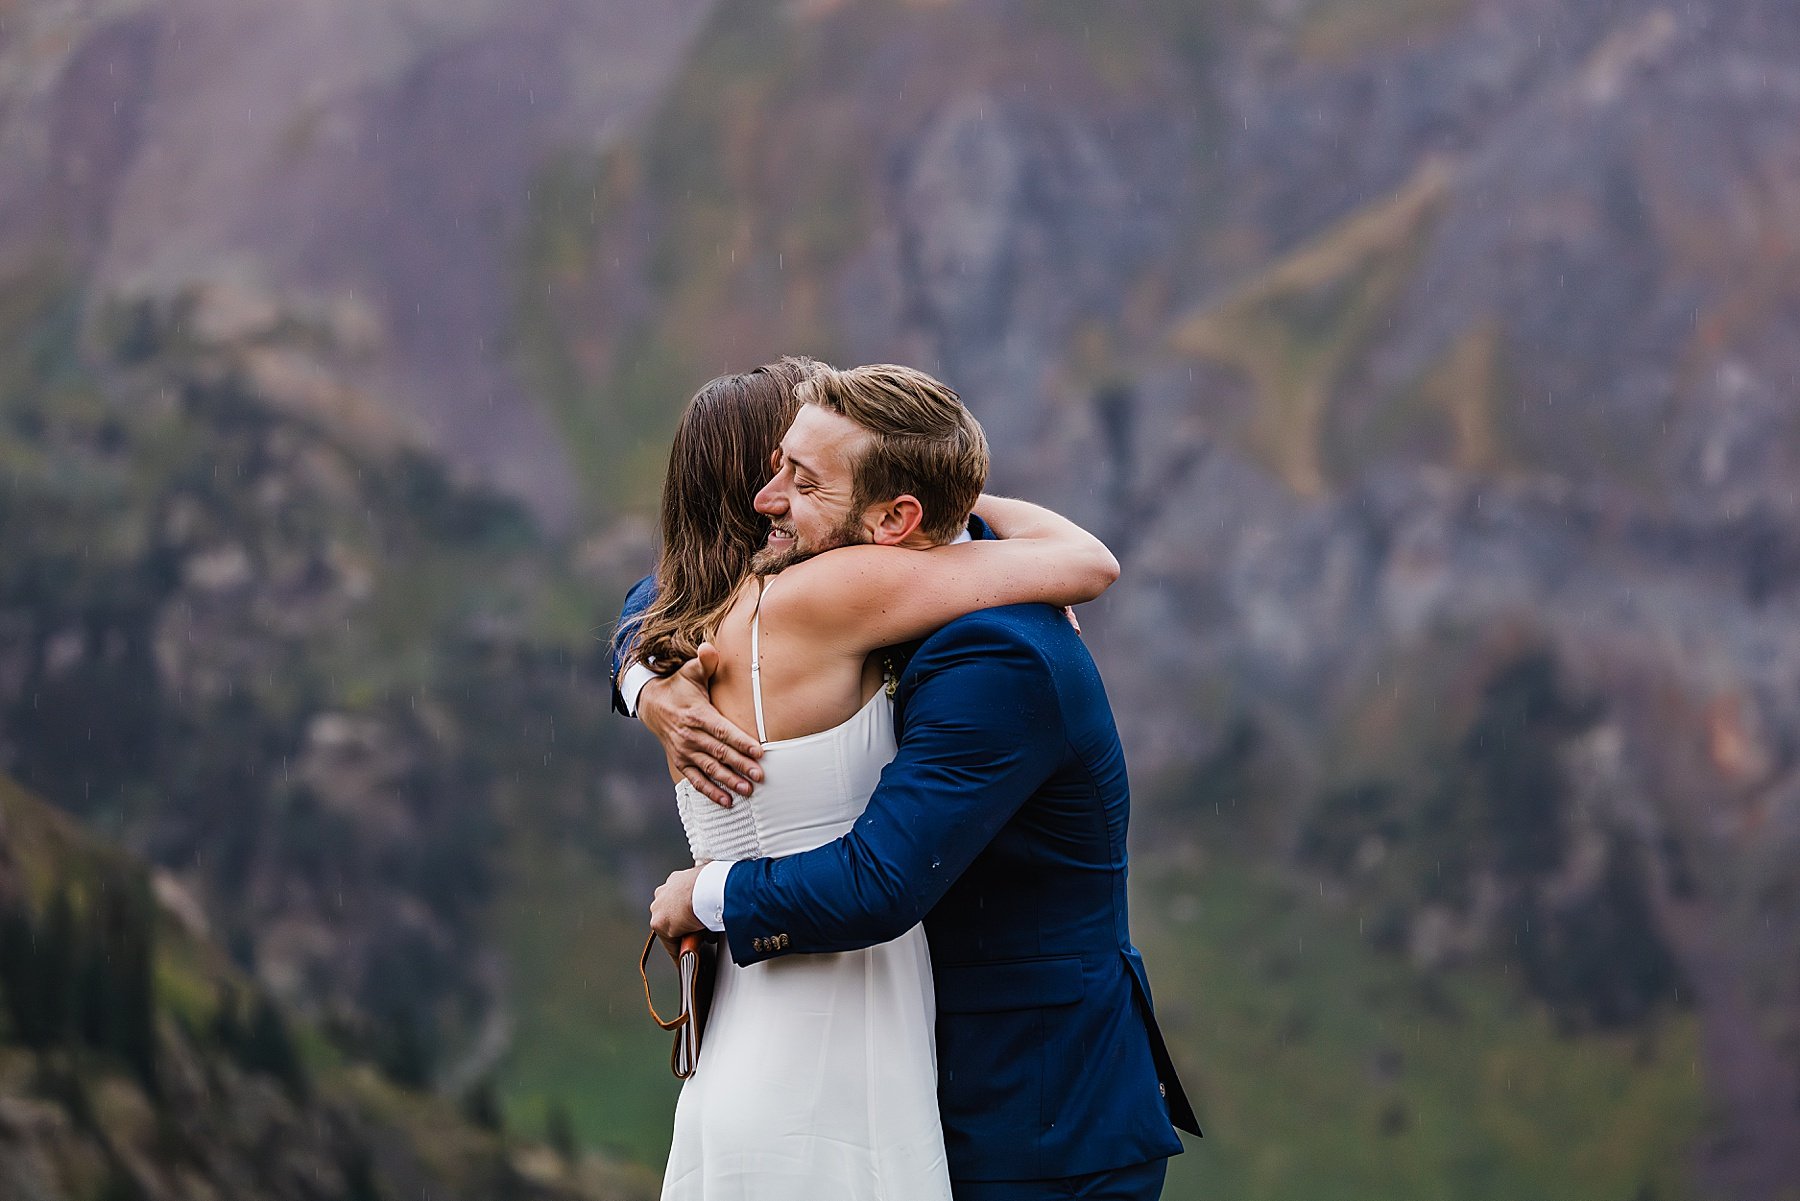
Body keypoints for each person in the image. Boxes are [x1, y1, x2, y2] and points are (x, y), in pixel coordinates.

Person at [620, 360, 1128, 1200]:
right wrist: (978, 529)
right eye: (776, 466)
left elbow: (645, 602)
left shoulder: (693, 620)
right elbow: (1086, 561)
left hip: (790, 1062)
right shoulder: (832, 593)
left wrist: (644, 683)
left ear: (893, 514)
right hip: (853, 1052)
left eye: (799, 477)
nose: (771, 499)